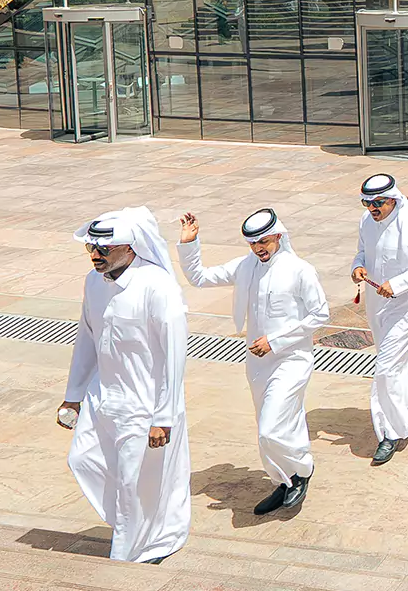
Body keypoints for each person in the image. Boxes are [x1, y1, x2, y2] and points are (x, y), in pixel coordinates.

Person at [177, 207, 327, 515]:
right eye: (252, 243)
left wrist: (275, 341)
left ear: (278, 236)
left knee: (271, 428)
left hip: (291, 359)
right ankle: (284, 480)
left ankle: (302, 470)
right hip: (258, 363)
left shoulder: (300, 270)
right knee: (274, 422)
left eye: (263, 241)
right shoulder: (245, 266)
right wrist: (190, 243)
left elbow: (320, 314)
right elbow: (199, 277)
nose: (258, 248)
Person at [62, 208, 190, 563]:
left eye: (104, 249)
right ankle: (137, 525)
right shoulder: (93, 283)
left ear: (130, 248)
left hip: (144, 403)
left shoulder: (157, 286)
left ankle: (127, 554)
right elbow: (86, 338)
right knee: (82, 460)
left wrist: (164, 416)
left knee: (131, 485)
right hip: (102, 396)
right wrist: (73, 396)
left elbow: (175, 356)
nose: (95, 255)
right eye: (91, 248)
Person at [349, 174, 408, 465]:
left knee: (386, 369)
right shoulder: (366, 221)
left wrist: (398, 284)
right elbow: (362, 252)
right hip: (377, 305)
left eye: (377, 203)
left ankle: (390, 431)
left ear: (393, 199)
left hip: (406, 307)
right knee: (407, 359)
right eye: (367, 203)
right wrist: (358, 267)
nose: (372, 209)